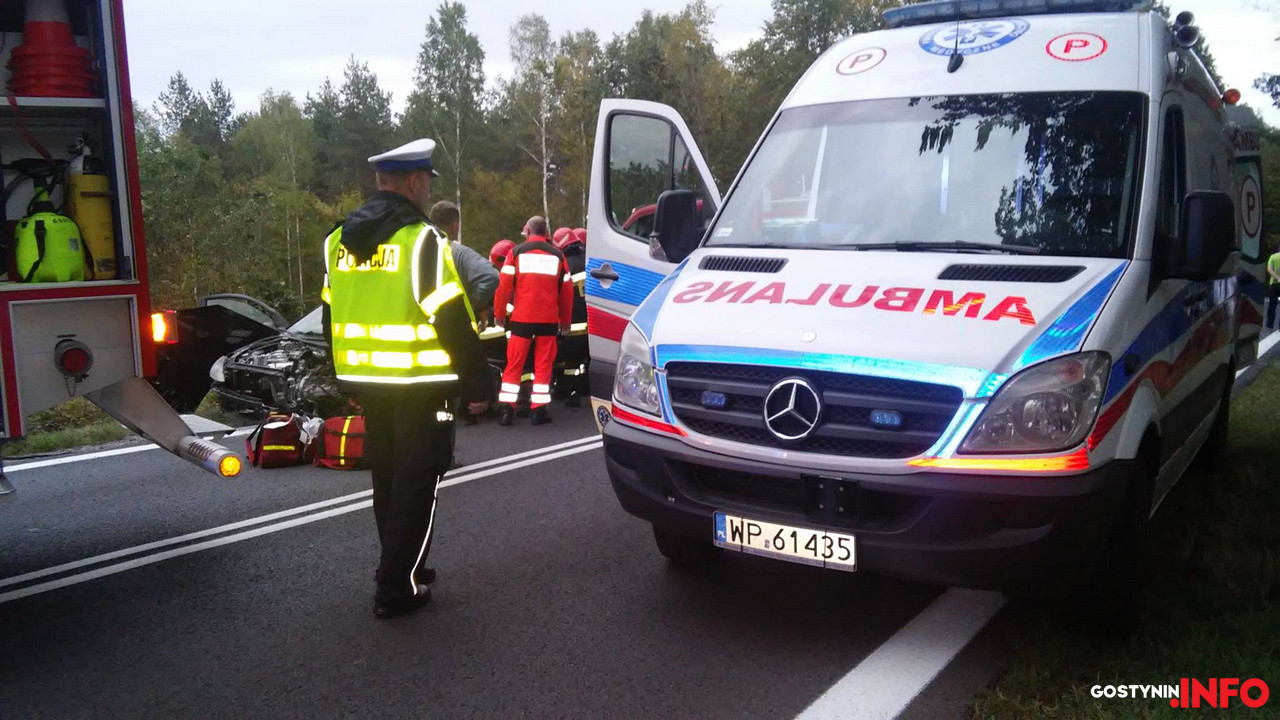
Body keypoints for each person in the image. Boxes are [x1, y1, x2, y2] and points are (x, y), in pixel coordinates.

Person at [321, 138, 489, 619]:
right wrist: (478, 382)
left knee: (389, 477)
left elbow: (332, 312)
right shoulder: (422, 242)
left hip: (369, 380)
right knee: (420, 479)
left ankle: (400, 566)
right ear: (415, 183)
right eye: (426, 182)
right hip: (422, 382)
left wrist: (345, 379)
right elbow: (450, 317)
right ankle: (397, 588)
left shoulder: (337, 241)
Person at [493, 216, 573, 426]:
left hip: (522, 318)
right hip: (548, 319)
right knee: (544, 365)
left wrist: (499, 314)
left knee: (514, 364)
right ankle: (539, 410)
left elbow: (504, 288)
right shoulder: (558, 256)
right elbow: (566, 294)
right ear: (546, 232)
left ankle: (506, 410)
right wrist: (565, 322)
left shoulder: (516, 253)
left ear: (528, 231)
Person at [428, 201, 499, 317]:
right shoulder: (461, 254)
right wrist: (472, 306)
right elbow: (490, 276)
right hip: (453, 324)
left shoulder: (417, 251)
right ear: (455, 227)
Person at [553, 226, 589, 407]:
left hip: (572, 326)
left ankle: (572, 393)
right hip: (591, 325)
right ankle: (588, 390)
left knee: (572, 363)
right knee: (588, 359)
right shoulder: (588, 260)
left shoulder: (564, 266)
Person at [1268, 247, 1280, 330]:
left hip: (1274, 285)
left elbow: (1269, 269)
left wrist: (1277, 278)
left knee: (1272, 304)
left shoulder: (1273, 256)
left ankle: (1270, 323)